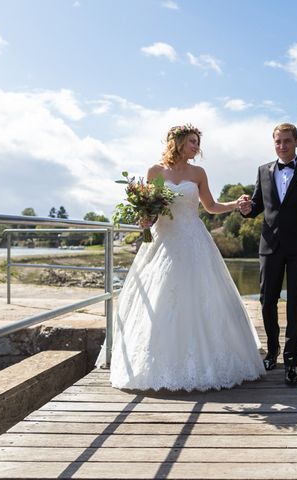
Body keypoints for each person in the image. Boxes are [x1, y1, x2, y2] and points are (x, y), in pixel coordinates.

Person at [100, 124, 265, 391]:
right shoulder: (156, 171)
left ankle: (208, 364)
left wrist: (235, 204)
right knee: (160, 299)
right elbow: (151, 211)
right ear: (176, 142)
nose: (197, 147)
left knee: (200, 297)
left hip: (193, 241)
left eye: (198, 142)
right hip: (163, 241)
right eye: (192, 141)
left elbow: (210, 206)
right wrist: (145, 219)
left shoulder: (198, 173)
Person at [240, 123, 297, 385]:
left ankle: (291, 362)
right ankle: (273, 350)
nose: (282, 146)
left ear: (296, 142)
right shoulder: (263, 171)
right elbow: (257, 206)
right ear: (274, 143)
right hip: (270, 247)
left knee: (296, 304)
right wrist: (246, 208)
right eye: (278, 141)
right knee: (267, 301)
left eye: (287, 141)